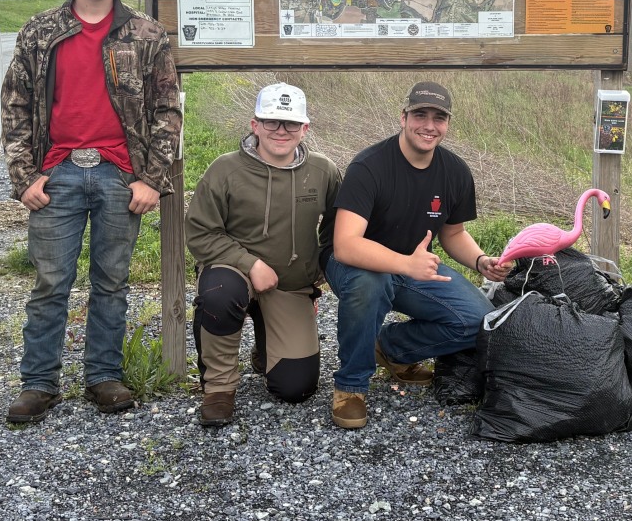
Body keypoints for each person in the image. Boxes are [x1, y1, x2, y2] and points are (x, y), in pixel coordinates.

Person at [1, 0, 182, 423]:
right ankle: (39, 383)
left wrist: (151, 178)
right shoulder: (40, 31)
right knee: (49, 283)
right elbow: (15, 105)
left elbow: (167, 109)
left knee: (112, 282)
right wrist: (24, 176)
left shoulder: (146, 34)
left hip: (119, 175)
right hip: (56, 173)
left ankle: (104, 376)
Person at [325, 81, 510, 429]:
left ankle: (388, 348)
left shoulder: (455, 171)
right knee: (371, 284)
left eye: (439, 118)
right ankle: (350, 386)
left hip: (411, 265)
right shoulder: (369, 166)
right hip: (354, 264)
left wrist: (481, 261)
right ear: (403, 117)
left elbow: (453, 234)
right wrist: (406, 264)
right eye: (420, 115)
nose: (429, 125)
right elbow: (346, 245)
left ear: (448, 124)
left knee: (478, 320)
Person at [185, 83, 341, 426]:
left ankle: (266, 346)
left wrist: (319, 270)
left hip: (289, 286)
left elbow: (336, 229)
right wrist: (250, 264)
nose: (281, 131)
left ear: (305, 128)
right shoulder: (224, 170)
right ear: (255, 125)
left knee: (296, 388)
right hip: (234, 274)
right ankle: (219, 388)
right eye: (271, 121)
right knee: (220, 294)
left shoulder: (324, 171)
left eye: (291, 123)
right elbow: (200, 232)